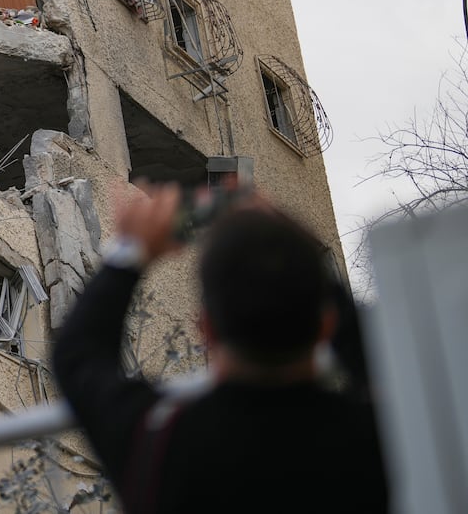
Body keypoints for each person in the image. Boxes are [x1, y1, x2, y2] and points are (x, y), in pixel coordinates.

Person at [52, 184, 389, 514]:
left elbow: (78, 356)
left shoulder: (162, 444)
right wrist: (292, 245)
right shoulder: (382, 439)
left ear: (206, 329)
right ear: (325, 326)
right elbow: (385, 353)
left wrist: (131, 251)